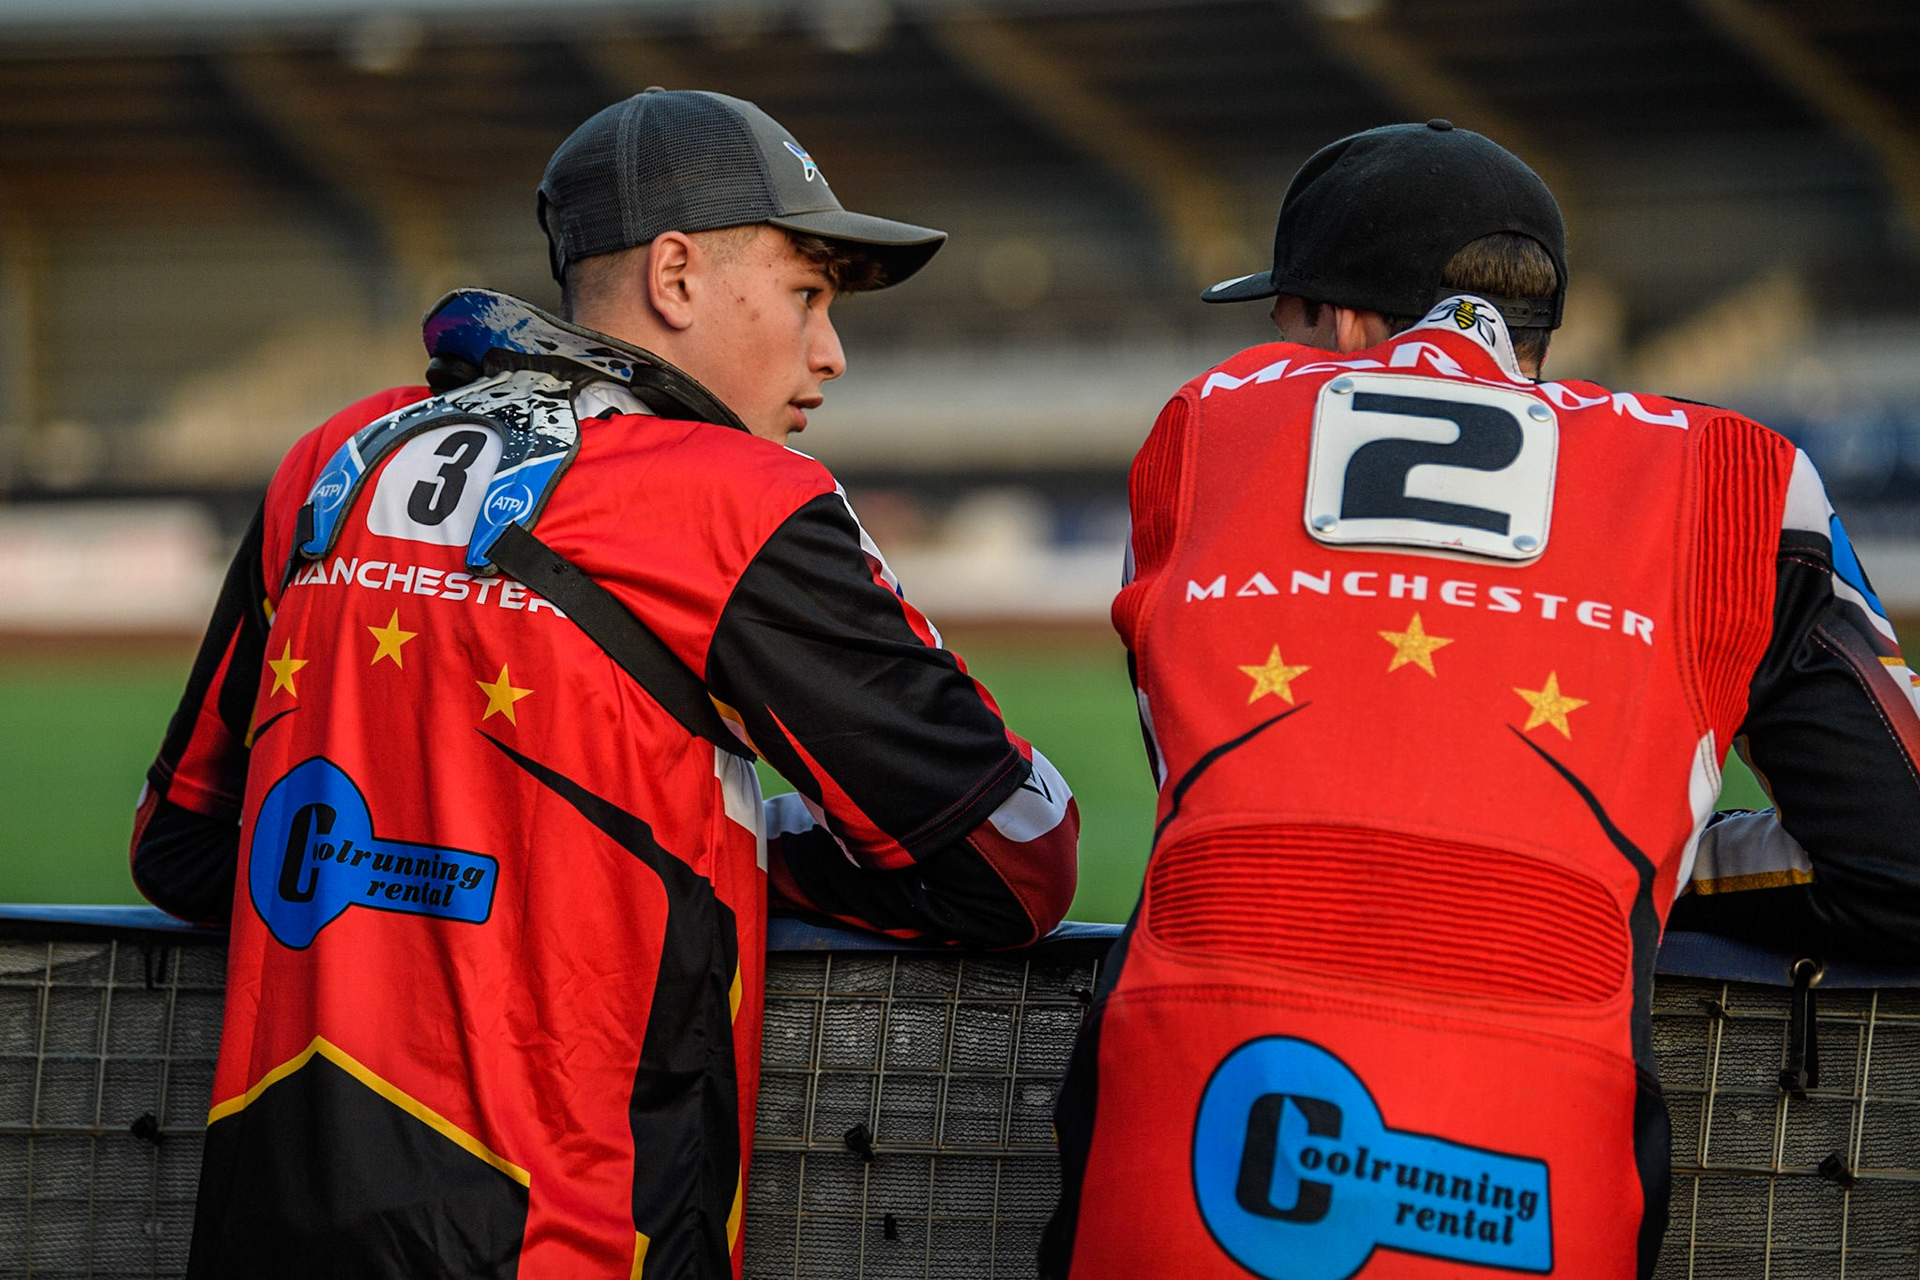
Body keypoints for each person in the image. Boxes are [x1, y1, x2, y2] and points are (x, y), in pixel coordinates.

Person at [131, 88, 1079, 1279]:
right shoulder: (739, 499)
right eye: (808, 294)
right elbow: (1014, 859)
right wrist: (738, 844)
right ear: (676, 276)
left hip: (264, 1229)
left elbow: (180, 843)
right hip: (573, 1242)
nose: (831, 352)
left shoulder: (336, 455)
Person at [1041, 120, 1920, 1279]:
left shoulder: (1207, 424)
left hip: (1182, 1154)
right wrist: (1621, 862)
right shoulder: (1746, 475)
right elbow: (1902, 853)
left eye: (1287, 315)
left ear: (1348, 322)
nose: (1276, 348)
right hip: (1540, 1185)